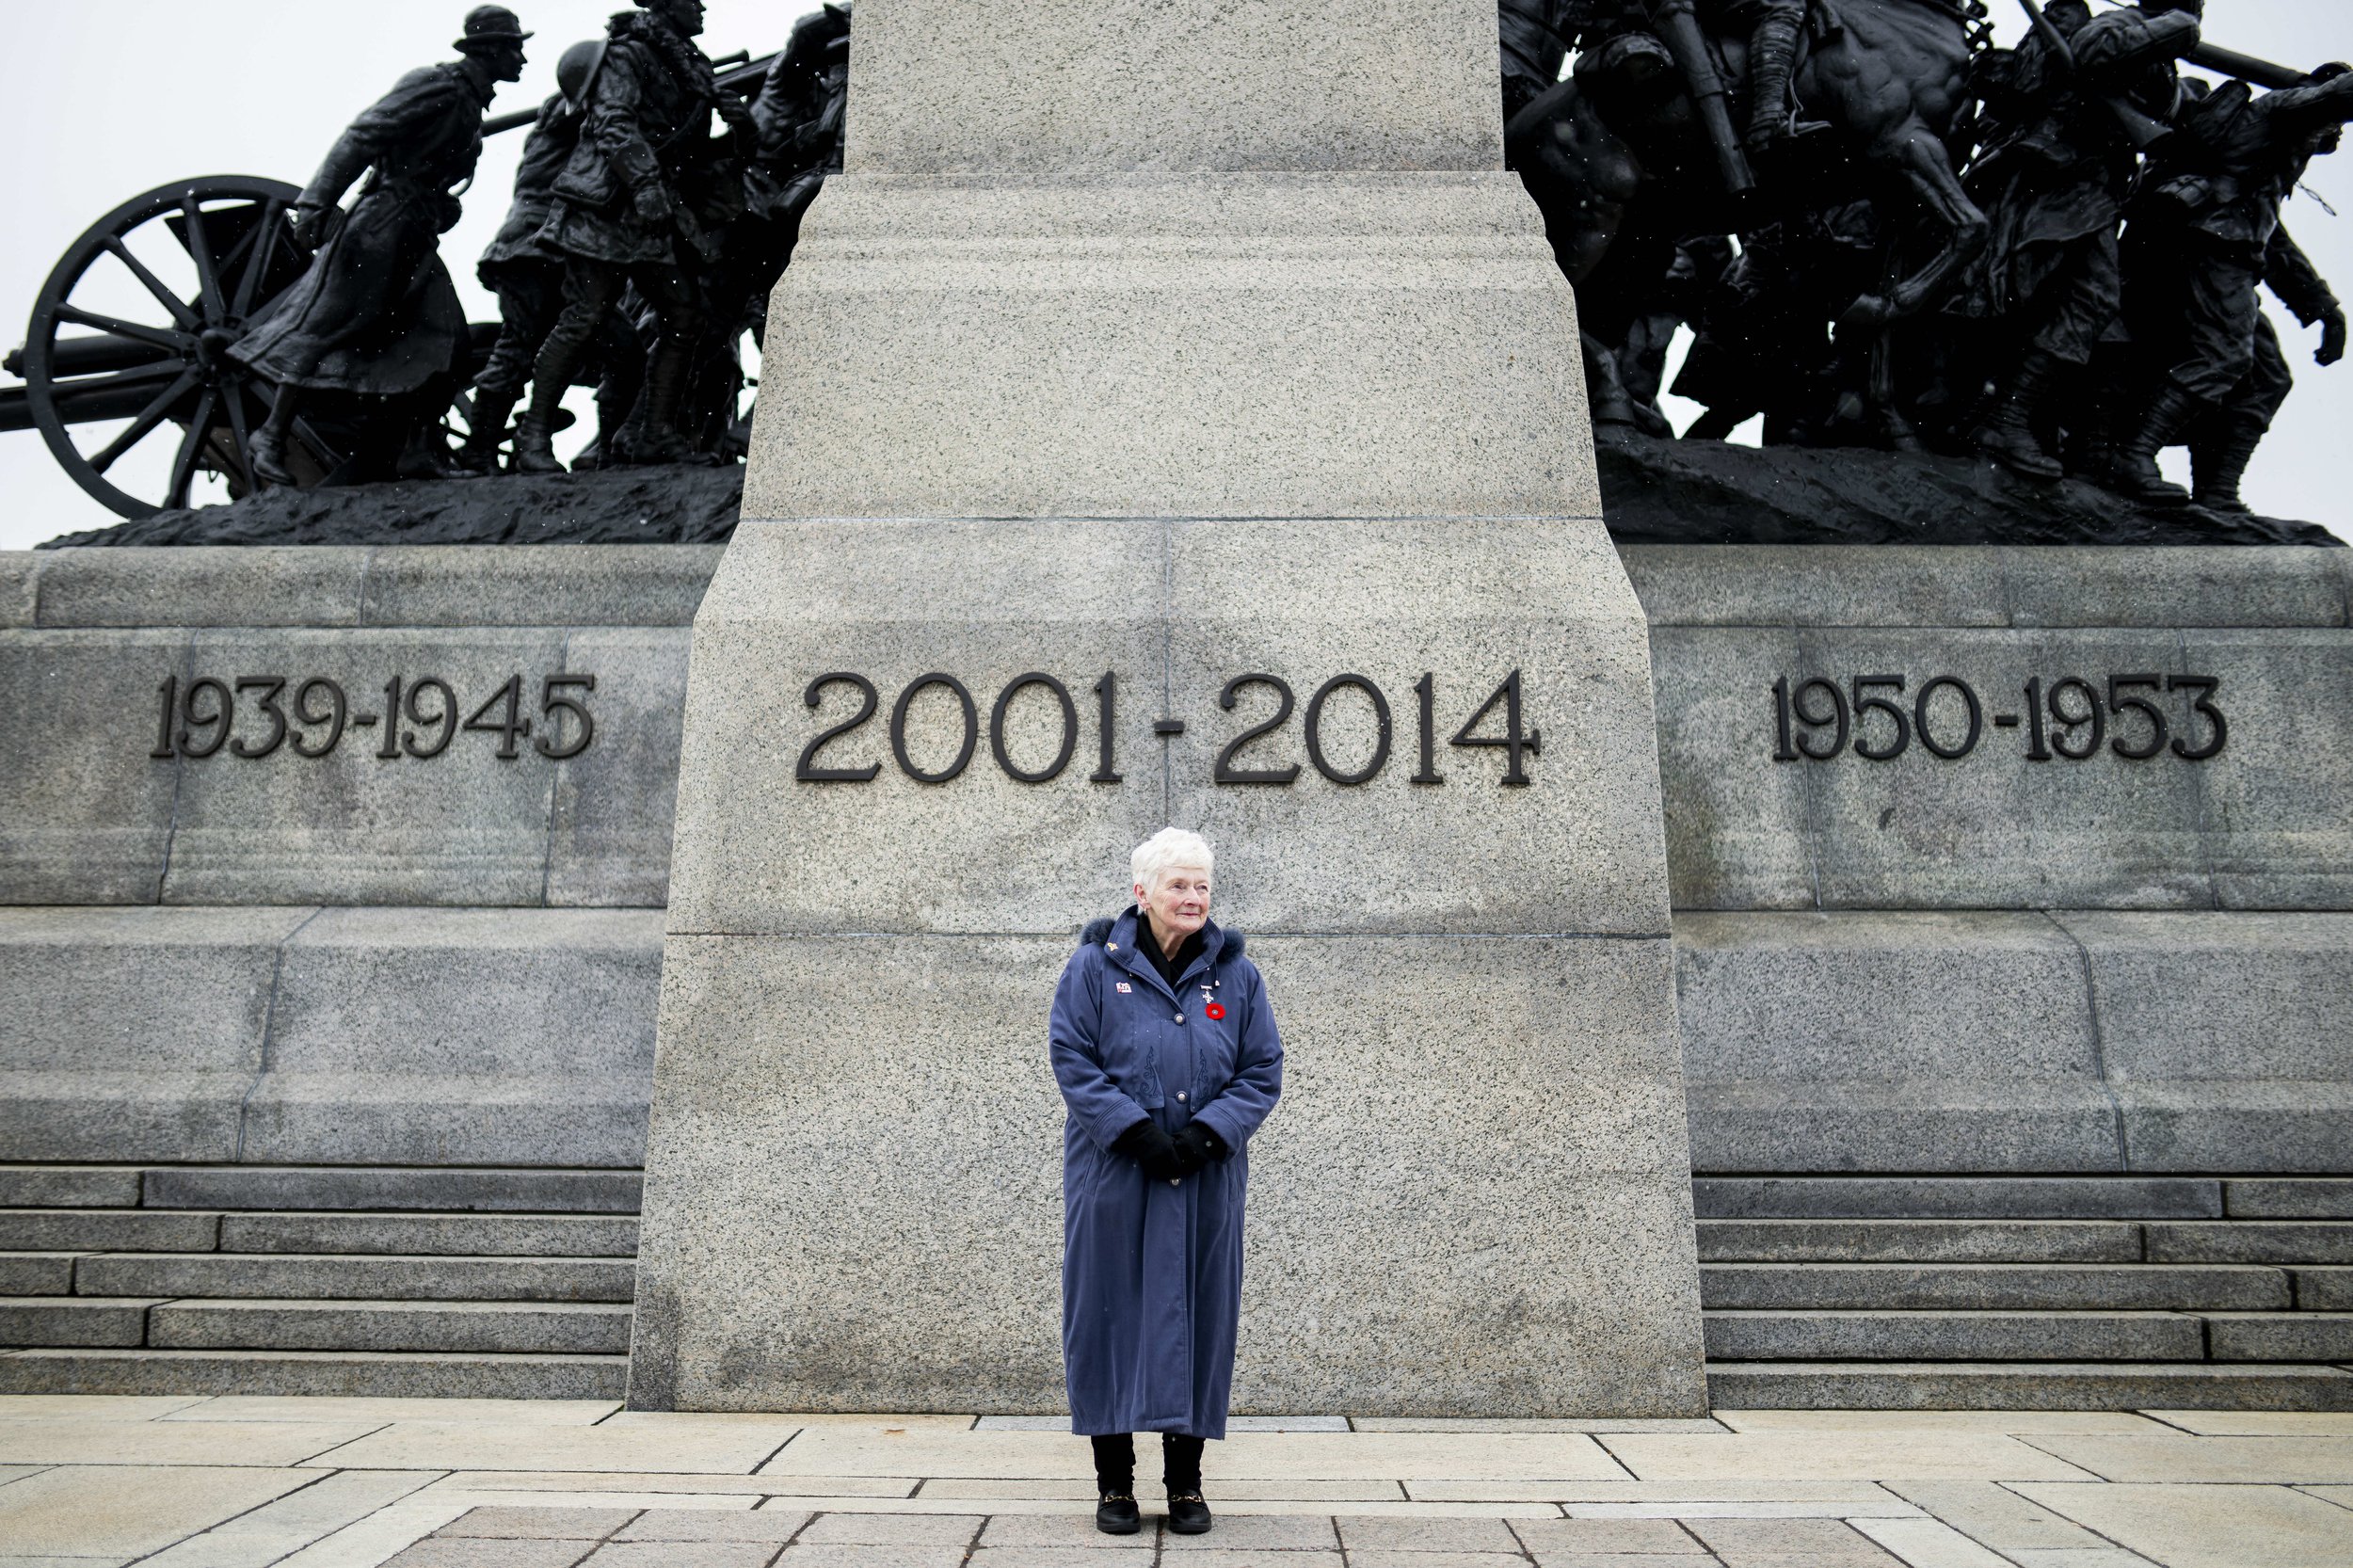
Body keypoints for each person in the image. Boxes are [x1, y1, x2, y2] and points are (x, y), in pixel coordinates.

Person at [1049, 829, 1284, 1539]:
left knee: (1198, 1316)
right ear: (1141, 892)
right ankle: (1113, 1482)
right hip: (1115, 1174)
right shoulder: (1093, 967)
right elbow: (1072, 1054)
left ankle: (1186, 1485)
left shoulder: (1236, 975)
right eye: (1178, 885)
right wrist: (1134, 1132)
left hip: (1206, 1179)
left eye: (1202, 886)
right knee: (1108, 1315)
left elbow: (1262, 1068)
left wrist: (1208, 1135)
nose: (1193, 898)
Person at [234, 7, 529, 486]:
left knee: (448, 341)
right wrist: (316, 201)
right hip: (379, 227)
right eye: (515, 47)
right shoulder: (438, 85)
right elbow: (364, 134)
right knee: (327, 328)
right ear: (491, 50)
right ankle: (269, 437)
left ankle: (417, 452)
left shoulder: (470, 100)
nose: (522, 59)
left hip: (413, 230)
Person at [1959, 0, 2201, 481]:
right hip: (2062, 183)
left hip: (2090, 191)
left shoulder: (2153, 45)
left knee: (2086, 306)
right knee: (2044, 297)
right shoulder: (2127, 23)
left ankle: (2007, 419)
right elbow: (2095, 50)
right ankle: (1999, 418)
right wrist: (2178, 26)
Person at [511, 0, 755, 472]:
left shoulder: (692, 67)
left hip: (655, 211)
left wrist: (742, 129)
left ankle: (655, 435)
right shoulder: (626, 55)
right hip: (606, 204)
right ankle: (533, 439)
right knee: (585, 316)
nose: (702, 7)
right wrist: (644, 183)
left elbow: (695, 155)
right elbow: (612, 122)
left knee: (685, 315)